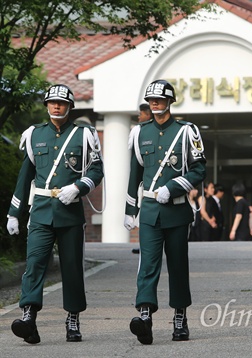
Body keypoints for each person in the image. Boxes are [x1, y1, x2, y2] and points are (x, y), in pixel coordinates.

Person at [6, 84, 104, 344]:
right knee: (34, 264)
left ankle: (73, 319)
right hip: (40, 211)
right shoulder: (34, 135)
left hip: (70, 212)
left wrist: (78, 187)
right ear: (47, 105)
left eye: (61, 103)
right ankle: (28, 316)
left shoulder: (84, 135)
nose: (56, 106)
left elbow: (96, 171)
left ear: (70, 106)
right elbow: (25, 177)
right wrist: (14, 213)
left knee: (72, 268)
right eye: (52, 102)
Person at [124, 79, 206, 344]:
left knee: (178, 265)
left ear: (170, 101)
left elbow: (199, 169)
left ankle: (180, 317)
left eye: (159, 99)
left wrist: (173, 187)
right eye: (151, 99)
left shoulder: (186, 131)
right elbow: (134, 174)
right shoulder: (139, 133)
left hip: (177, 211)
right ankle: (145, 315)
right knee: (147, 265)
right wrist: (129, 209)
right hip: (149, 211)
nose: (155, 103)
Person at [132, 103, 154, 254]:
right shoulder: (139, 133)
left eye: (142, 114)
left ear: (149, 114)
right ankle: (144, 243)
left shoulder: (149, 133)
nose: (139, 117)